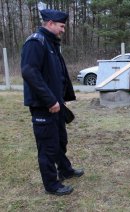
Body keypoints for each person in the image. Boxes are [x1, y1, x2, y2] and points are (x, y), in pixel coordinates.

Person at [21, 9, 84, 196]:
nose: (63, 30)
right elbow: (29, 72)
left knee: (60, 141)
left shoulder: (50, 43)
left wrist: (62, 98)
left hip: (56, 105)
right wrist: (50, 100)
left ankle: (65, 169)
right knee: (48, 147)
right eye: (61, 26)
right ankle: (52, 185)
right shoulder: (36, 42)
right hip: (44, 107)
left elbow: (57, 73)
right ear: (50, 23)